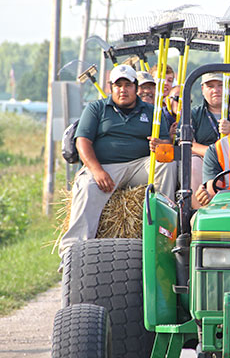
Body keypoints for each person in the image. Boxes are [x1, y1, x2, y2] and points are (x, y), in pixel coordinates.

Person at [58, 64, 177, 260]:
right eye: (118, 85)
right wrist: (97, 171)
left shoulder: (152, 111)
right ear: (111, 87)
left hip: (141, 165)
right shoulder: (96, 108)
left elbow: (166, 146)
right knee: (87, 186)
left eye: (127, 85)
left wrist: (160, 145)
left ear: (135, 87)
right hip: (106, 167)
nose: (123, 90)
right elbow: (83, 142)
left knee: (168, 164)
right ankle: (73, 253)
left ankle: (164, 234)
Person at [190, 73, 226, 208]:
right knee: (192, 164)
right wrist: (213, 153)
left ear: (228, 86)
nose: (215, 90)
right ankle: (199, 213)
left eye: (220, 85)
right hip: (203, 160)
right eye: (210, 86)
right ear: (202, 89)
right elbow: (187, 144)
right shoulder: (193, 114)